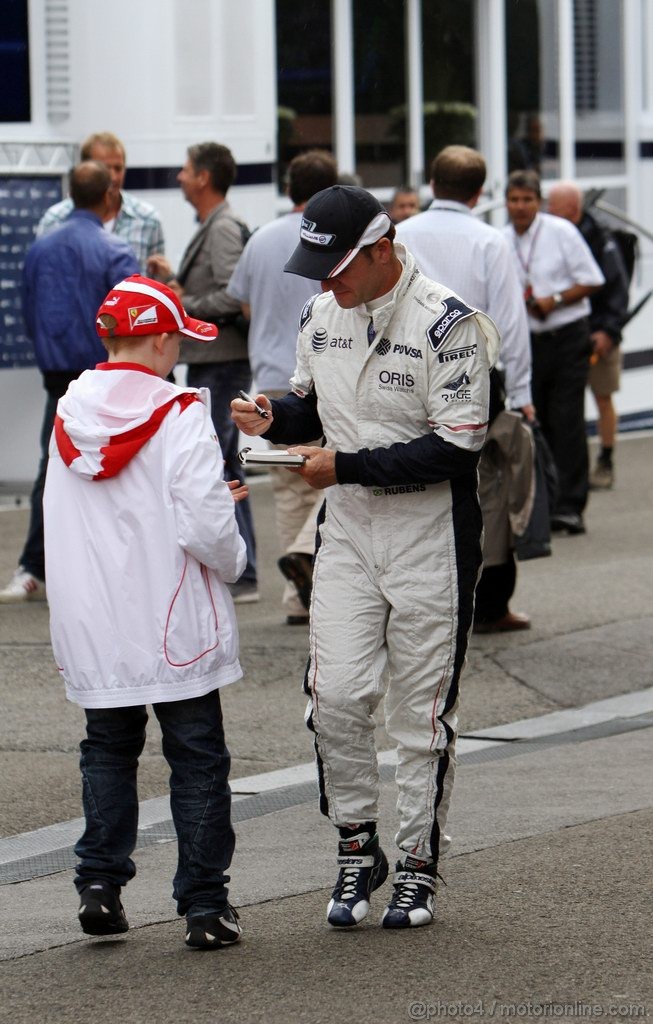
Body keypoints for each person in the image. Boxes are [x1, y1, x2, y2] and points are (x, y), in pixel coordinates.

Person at [231, 185, 500, 930]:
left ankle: (417, 861)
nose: (322, 282)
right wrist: (272, 414)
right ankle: (357, 843)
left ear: (382, 249)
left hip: (430, 537)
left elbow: (456, 446)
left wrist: (340, 466)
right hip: (347, 530)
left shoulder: (449, 323)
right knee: (336, 697)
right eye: (314, 265)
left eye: (336, 265)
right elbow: (308, 406)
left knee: (420, 715)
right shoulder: (323, 314)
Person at [43, 274, 247, 949]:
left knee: (107, 749)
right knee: (196, 758)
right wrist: (233, 559)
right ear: (159, 340)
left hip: (96, 619)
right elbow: (203, 523)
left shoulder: (70, 409)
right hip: (170, 617)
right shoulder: (182, 409)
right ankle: (204, 907)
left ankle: (99, 884)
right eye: (175, 344)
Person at [397, 144, 534, 633]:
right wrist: (520, 394)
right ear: (480, 192)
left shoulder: (401, 235)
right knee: (488, 486)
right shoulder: (490, 241)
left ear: (432, 184)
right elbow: (509, 325)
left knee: (414, 474)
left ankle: (415, 600)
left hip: (409, 374)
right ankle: (489, 602)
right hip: (476, 379)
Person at [0, 162, 139, 604]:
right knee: (115, 467)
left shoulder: (40, 248)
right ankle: (106, 569)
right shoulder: (115, 248)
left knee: (53, 466)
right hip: (105, 377)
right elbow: (129, 319)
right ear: (108, 197)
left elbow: (26, 309)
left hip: (57, 375)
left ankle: (33, 567)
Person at [227, 149, 338, 625]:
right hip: (320, 374)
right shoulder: (335, 239)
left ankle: (297, 601)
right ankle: (304, 557)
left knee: (288, 489)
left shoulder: (261, 239)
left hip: (269, 380)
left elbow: (243, 306)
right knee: (327, 480)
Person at [147, 142, 258, 603]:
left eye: (187, 170)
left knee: (215, 460)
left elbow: (234, 297)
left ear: (205, 178)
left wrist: (180, 303)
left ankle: (244, 569)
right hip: (216, 361)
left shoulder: (224, 227)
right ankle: (242, 567)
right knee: (219, 460)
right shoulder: (214, 226)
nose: (179, 176)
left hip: (223, 361)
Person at [503, 170, 604, 535]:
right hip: (528, 342)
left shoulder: (561, 232)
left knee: (566, 419)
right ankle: (540, 505)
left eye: (527, 200)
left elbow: (593, 280)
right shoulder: (500, 239)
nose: (520, 207)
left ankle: (570, 506)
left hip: (566, 337)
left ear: (539, 201)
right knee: (534, 421)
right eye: (514, 200)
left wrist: (556, 299)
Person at [547, 182, 629, 490]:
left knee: (602, 397)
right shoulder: (552, 236)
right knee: (566, 403)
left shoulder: (601, 240)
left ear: (572, 209)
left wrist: (608, 331)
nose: (548, 212)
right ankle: (565, 466)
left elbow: (616, 289)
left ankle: (606, 460)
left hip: (599, 332)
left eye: (553, 206)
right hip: (566, 335)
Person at [36, 131, 164, 271]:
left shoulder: (148, 219)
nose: (114, 177)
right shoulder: (55, 219)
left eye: (118, 168)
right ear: (85, 169)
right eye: (105, 168)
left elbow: (155, 284)